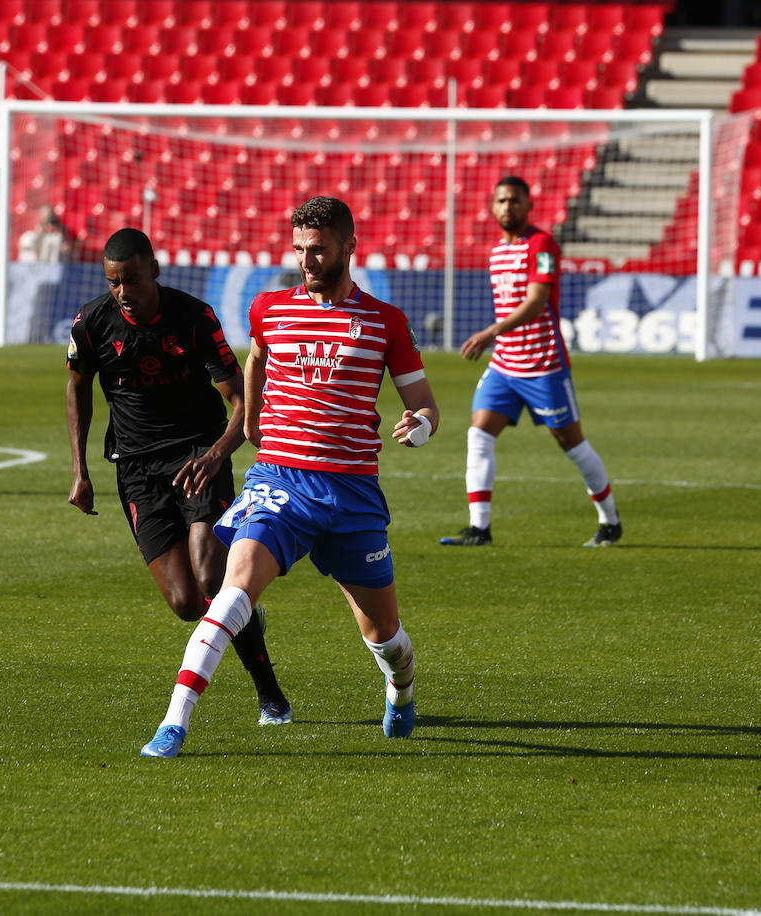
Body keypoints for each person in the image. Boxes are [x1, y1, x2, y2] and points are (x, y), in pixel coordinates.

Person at [141, 196, 440, 759]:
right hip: (280, 480)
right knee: (233, 591)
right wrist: (251, 419)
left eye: (318, 249)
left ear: (349, 246)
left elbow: (424, 402)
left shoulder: (385, 322)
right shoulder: (270, 307)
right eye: (299, 248)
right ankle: (174, 722)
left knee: (383, 635)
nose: (306, 260)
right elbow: (255, 357)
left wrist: (419, 426)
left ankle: (401, 690)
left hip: (352, 492)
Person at [65, 227, 291, 729]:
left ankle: (270, 693)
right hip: (136, 468)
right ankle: (246, 617)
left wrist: (216, 455)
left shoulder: (194, 317)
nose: (122, 291)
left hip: (197, 455)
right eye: (113, 282)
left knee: (213, 576)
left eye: (131, 280)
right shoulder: (92, 323)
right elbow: (78, 386)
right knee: (188, 603)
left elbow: (241, 400)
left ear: (154, 271)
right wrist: (80, 470)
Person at [440, 176, 621, 548]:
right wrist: (498, 340)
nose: (508, 207)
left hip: (543, 365)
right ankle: (479, 528)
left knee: (571, 444)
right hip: (504, 365)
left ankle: (610, 520)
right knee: (479, 434)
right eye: (501, 201)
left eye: (515, 200)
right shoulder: (496, 252)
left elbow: (537, 301)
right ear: (493, 207)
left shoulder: (542, 245)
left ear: (529, 205)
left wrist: (491, 333)